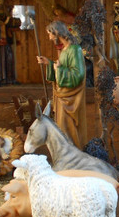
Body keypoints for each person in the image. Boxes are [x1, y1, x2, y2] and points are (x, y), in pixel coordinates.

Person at [36, 20, 87, 149]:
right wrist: (49, 63)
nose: (49, 37)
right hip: (62, 96)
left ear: (57, 32)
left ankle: (73, 154)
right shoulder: (65, 49)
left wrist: (59, 69)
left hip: (70, 98)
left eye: (50, 34)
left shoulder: (74, 49)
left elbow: (78, 74)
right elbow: (62, 67)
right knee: (62, 128)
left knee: (68, 128)